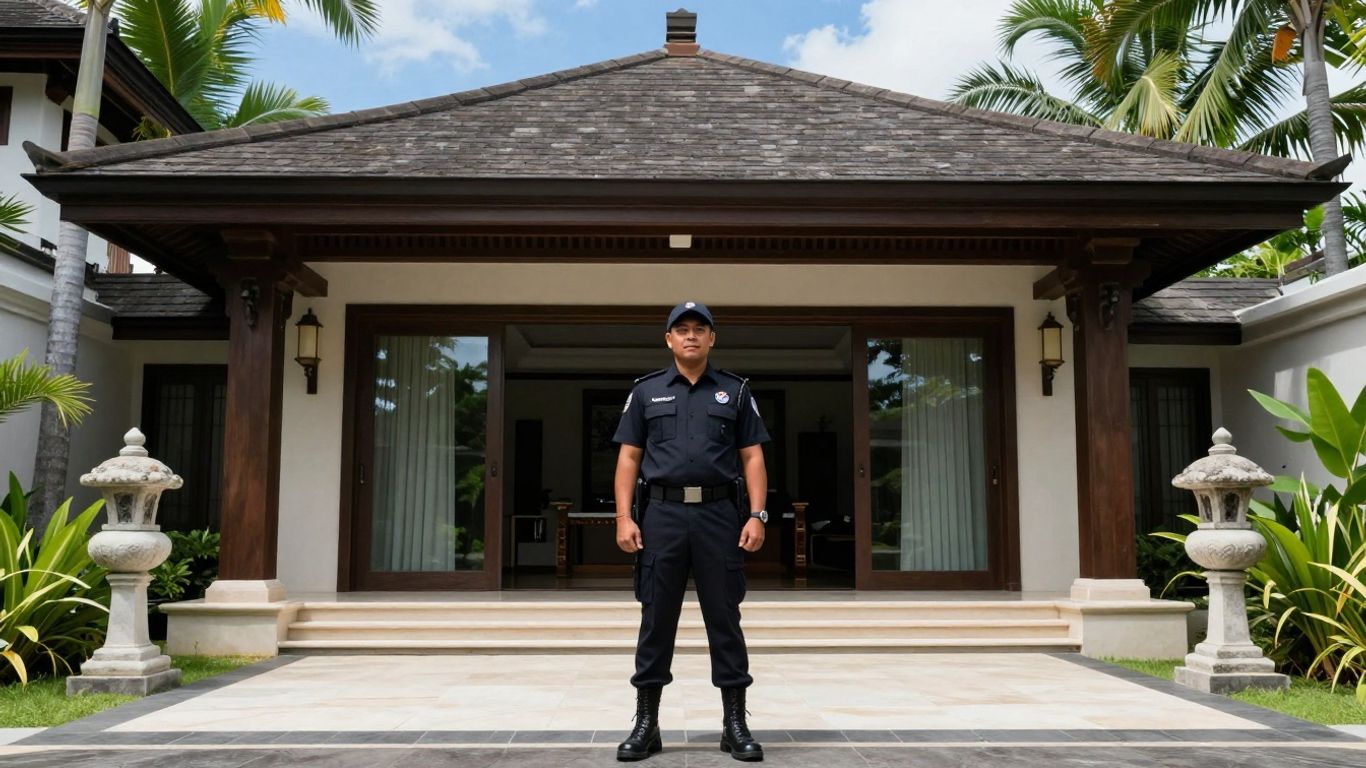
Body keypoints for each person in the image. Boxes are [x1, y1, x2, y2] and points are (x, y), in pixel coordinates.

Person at [611, 301, 770, 763]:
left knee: (725, 620)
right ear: (669, 340)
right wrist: (624, 517)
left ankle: (735, 724)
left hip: (720, 516)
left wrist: (757, 515)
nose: (691, 336)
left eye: (700, 329)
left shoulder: (735, 391)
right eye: (681, 330)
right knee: (656, 620)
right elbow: (628, 458)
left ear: (712, 339)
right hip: (661, 517)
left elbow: (753, 457)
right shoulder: (646, 392)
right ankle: (646, 724)